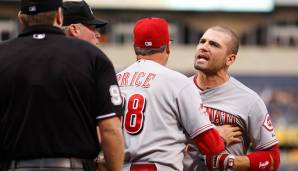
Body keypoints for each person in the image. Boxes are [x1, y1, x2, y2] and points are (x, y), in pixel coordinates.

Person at [0, 0, 124, 171]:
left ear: (21, 18)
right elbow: (110, 129)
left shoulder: (3, 55)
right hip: (72, 166)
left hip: (14, 166)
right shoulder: (92, 57)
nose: (97, 34)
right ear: (59, 16)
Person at [117, 17, 229, 171]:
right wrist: (220, 136)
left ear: (135, 47)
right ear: (167, 47)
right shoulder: (177, 82)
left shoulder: (115, 80)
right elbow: (212, 146)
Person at [184, 26, 280, 171]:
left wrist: (232, 162)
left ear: (230, 59)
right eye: (202, 41)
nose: (204, 47)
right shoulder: (177, 91)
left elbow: (272, 159)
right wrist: (214, 138)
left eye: (214, 44)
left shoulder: (249, 100)